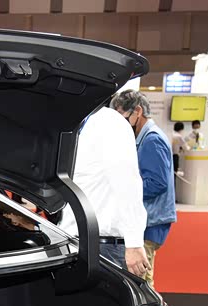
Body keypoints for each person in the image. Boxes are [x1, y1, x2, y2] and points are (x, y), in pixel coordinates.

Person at [59, 106, 149, 277]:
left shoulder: (109, 123)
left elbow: (127, 183)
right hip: (73, 240)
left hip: (105, 247)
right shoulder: (75, 123)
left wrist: (134, 243)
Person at [111, 90, 177, 288]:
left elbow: (157, 183)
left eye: (123, 117)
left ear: (137, 111)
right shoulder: (146, 137)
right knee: (139, 279)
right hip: (149, 219)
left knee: (141, 282)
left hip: (150, 221)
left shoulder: (152, 139)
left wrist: (125, 191)